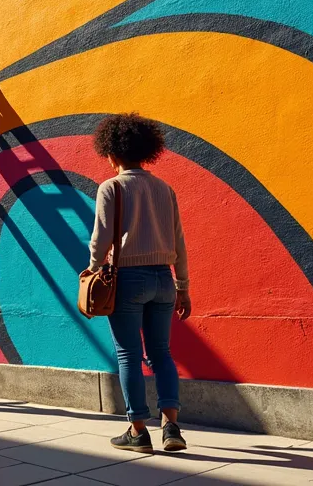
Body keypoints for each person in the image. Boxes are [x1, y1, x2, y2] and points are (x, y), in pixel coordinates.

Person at [87, 113, 191, 454]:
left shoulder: (111, 187)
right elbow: (179, 241)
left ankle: (137, 431)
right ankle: (171, 426)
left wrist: (92, 270)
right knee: (162, 352)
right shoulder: (165, 188)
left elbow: (101, 239)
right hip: (164, 278)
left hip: (128, 279)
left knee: (128, 354)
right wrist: (183, 287)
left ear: (112, 153)